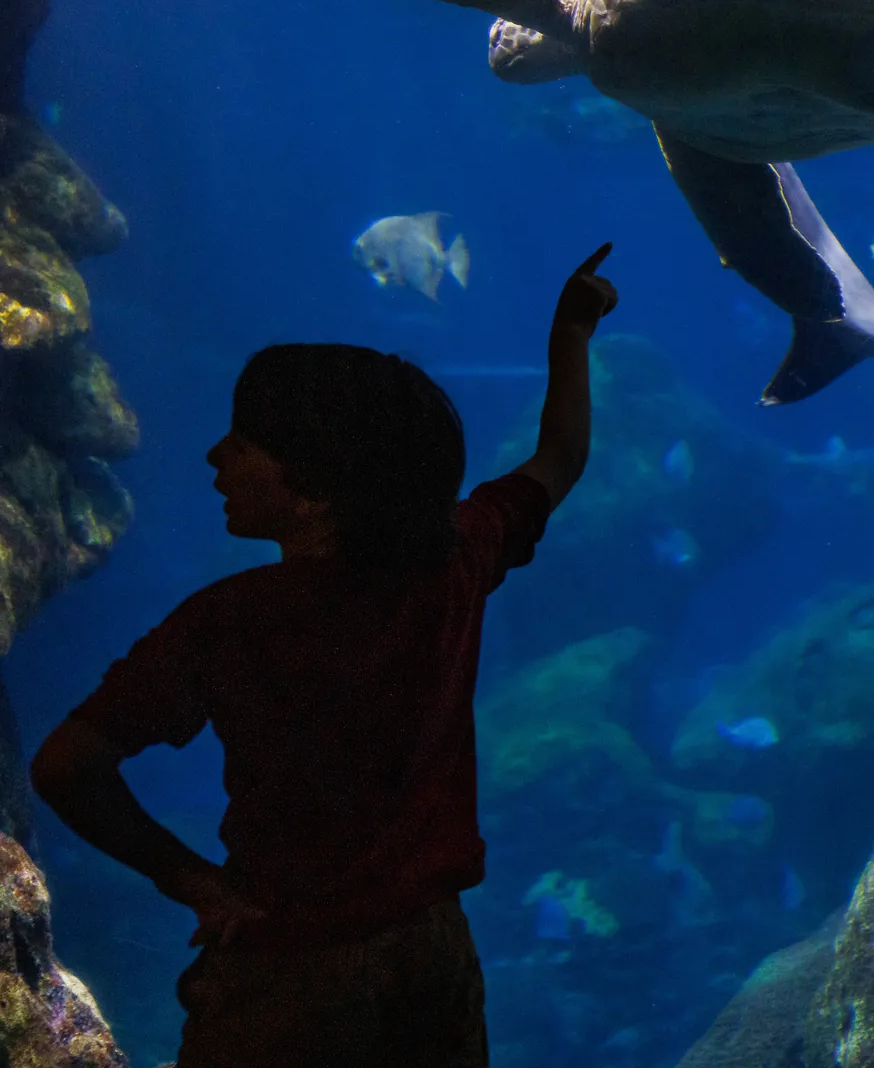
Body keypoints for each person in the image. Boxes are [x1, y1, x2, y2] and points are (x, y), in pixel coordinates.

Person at [30, 245, 619, 1067]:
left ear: (311, 480)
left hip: (288, 975)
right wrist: (571, 333)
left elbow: (66, 764)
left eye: (242, 442)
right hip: (434, 955)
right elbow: (559, 460)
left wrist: (191, 880)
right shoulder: (452, 564)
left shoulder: (231, 622)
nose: (215, 458)